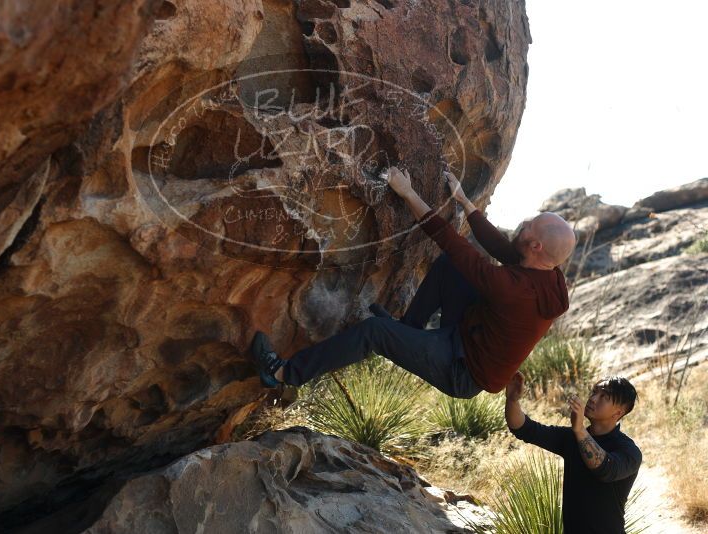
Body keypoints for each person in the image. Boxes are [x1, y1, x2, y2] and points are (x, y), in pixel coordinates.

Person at [250, 166, 577, 397]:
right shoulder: (546, 271)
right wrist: (464, 202)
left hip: (461, 370)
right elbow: (501, 247)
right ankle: (409, 328)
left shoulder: (514, 290)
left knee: (375, 332)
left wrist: (408, 193)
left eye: (530, 226)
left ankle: (281, 374)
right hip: (468, 336)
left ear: (536, 246)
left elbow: (453, 242)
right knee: (451, 266)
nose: (523, 225)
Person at [505, 372, 642, 533]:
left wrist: (579, 430)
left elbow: (606, 470)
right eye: (594, 392)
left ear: (618, 413)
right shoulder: (572, 437)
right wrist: (512, 400)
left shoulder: (629, 451)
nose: (593, 398)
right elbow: (524, 429)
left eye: (604, 396)